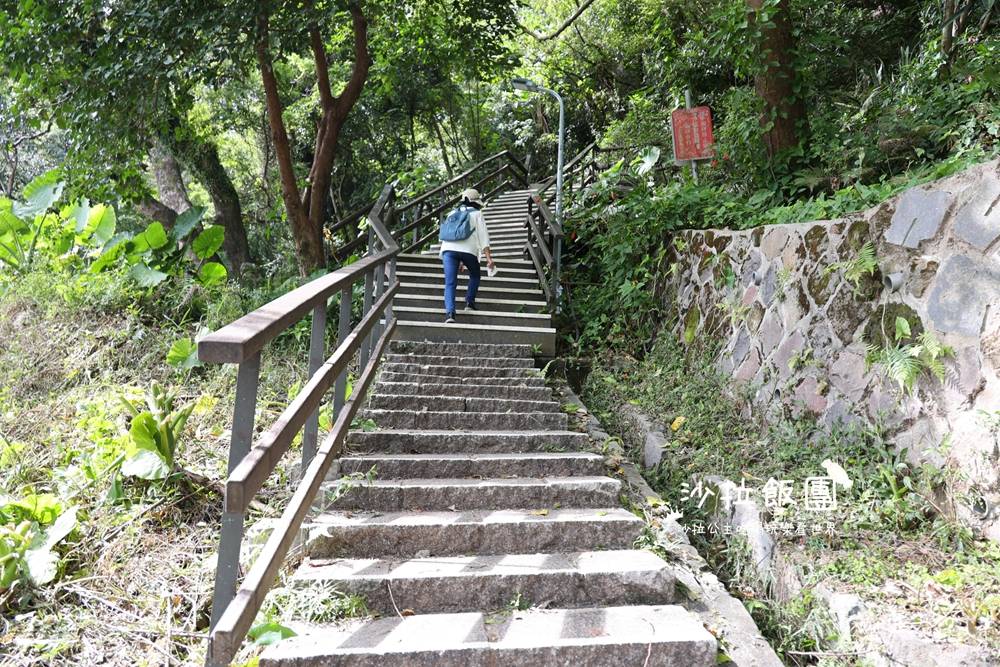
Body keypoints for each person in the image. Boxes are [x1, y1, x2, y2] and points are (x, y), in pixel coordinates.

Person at [440, 188, 494, 323]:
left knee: (450, 283)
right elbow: (484, 238)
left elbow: (451, 235)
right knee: (475, 275)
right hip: (468, 251)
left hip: (448, 250)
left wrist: (459, 260)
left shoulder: (452, 213)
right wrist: (489, 259)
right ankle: (469, 303)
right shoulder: (477, 214)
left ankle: (450, 314)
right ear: (475, 202)